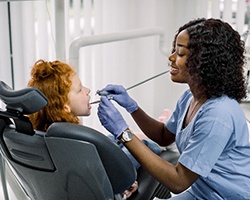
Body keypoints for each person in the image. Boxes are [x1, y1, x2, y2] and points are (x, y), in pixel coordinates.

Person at [97, 18, 250, 199]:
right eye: (173, 50)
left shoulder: (218, 115)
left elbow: (179, 181)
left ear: (204, 61)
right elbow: (163, 135)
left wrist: (123, 132)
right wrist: (131, 106)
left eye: (180, 53)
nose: (170, 58)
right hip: (203, 193)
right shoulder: (191, 97)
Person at [27, 59, 161, 199]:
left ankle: (148, 133)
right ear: (65, 107)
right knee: (149, 146)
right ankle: (153, 137)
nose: (88, 90)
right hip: (107, 182)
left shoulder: (44, 135)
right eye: (80, 90)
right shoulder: (77, 141)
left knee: (110, 140)